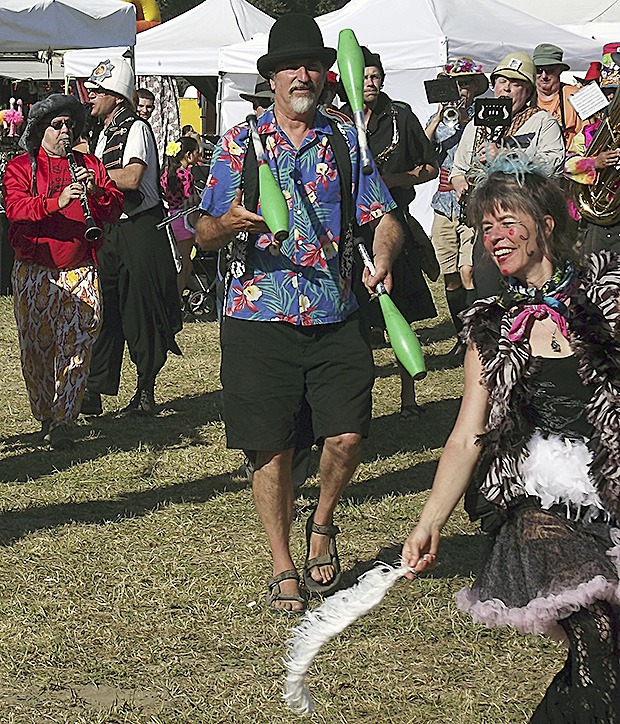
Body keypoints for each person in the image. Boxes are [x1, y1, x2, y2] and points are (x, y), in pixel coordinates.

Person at [195, 14, 402, 614]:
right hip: (257, 314)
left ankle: (324, 522)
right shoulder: (238, 143)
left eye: (311, 65)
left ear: (325, 74)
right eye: (290, 66)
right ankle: (284, 561)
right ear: (273, 78)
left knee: (347, 433)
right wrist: (226, 224)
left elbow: (382, 215)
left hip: (335, 310)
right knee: (272, 446)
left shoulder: (344, 139)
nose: (301, 75)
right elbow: (201, 230)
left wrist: (383, 258)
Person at [402, 160, 620, 720]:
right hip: (539, 504)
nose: (494, 237)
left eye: (507, 222)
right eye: (485, 227)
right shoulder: (493, 326)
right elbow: (468, 435)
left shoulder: (609, 296)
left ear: (546, 223)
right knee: (597, 643)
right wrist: (430, 520)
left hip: (610, 490)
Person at [2, 94, 122, 447]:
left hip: (79, 267)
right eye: (57, 125)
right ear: (41, 131)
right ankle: (44, 415)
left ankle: (65, 420)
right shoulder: (21, 167)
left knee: (78, 346)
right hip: (35, 270)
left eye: (70, 124)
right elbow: (16, 208)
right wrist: (58, 202)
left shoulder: (89, 164)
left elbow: (114, 207)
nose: (65, 131)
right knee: (36, 351)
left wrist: (96, 190)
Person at [81, 57, 182, 417]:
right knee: (102, 308)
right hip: (111, 230)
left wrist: (92, 179)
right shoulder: (101, 133)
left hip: (139, 229)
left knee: (141, 310)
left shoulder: (136, 128)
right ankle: (94, 389)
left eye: (98, 91)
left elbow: (133, 177)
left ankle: (144, 390)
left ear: (115, 95)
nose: (91, 95)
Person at [341, 46, 438, 419]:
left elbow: (430, 167)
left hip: (394, 225)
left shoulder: (400, 116)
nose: (370, 82)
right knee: (356, 322)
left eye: (376, 76)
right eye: (364, 76)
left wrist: (390, 180)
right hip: (350, 231)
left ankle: (408, 397)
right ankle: (358, 401)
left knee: (400, 310)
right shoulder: (337, 120)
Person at [451, 51, 565, 297]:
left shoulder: (542, 122)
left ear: (528, 91)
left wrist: (509, 155)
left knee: (533, 292)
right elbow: (457, 169)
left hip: (528, 227)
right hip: (488, 224)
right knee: (487, 288)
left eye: (516, 84)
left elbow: (555, 164)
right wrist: (461, 185)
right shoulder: (475, 124)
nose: (507, 89)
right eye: (502, 82)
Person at [425, 57, 489, 356]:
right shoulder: (440, 117)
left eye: (465, 83)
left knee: (468, 271)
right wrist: (439, 116)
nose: (461, 89)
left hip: (471, 201)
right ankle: (461, 336)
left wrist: (466, 118)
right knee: (448, 273)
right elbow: (422, 150)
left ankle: (478, 336)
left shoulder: (484, 116)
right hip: (443, 203)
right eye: (456, 83)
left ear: (475, 86)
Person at [564, 43, 620, 256]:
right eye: (607, 93)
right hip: (597, 221)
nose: (611, 99)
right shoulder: (589, 132)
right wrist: (594, 163)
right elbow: (565, 164)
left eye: (615, 94)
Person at [160, 136, 200, 297]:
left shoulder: (165, 173)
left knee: (175, 263)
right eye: (197, 152)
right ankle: (176, 299)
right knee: (185, 264)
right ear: (189, 155)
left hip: (170, 218)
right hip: (184, 221)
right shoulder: (186, 174)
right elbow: (189, 200)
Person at [533, 43, 583, 147]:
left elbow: (589, 133)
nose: (544, 76)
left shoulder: (577, 95)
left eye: (549, 70)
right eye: (539, 70)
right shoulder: (525, 98)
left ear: (560, 70)